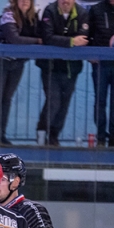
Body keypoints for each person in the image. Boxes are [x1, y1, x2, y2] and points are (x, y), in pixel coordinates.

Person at [0, 0, 41, 145]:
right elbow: (14, 39)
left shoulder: (33, 18)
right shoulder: (8, 15)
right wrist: (37, 41)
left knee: (6, 99)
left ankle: (1, 134)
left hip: (17, 63)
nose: (24, 1)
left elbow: (43, 35)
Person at [36, 0, 89, 146]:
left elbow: (83, 39)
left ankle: (54, 135)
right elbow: (48, 37)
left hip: (71, 68)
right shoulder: (50, 11)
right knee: (53, 101)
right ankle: (42, 131)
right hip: (50, 67)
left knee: (64, 104)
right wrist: (71, 41)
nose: (66, 1)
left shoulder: (82, 13)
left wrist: (61, 40)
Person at [88, 0, 114, 147]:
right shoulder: (96, 9)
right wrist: (91, 54)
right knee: (100, 101)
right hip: (101, 64)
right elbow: (88, 33)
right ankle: (101, 136)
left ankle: (113, 138)